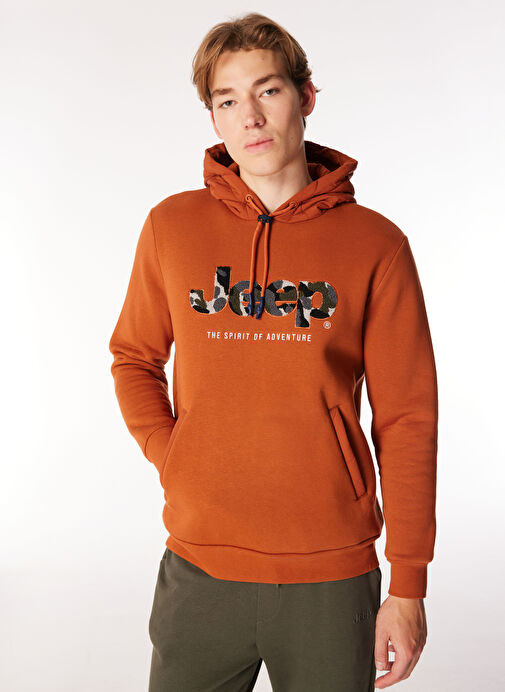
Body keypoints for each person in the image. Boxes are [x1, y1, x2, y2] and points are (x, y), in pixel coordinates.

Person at [108, 12, 438, 692]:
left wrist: (407, 584)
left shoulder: (376, 245)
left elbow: (407, 417)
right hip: (199, 568)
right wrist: (175, 455)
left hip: (331, 578)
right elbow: (134, 357)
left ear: (305, 96)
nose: (250, 118)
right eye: (227, 100)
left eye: (268, 91)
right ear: (213, 117)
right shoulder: (171, 227)